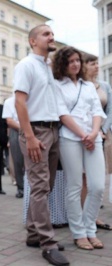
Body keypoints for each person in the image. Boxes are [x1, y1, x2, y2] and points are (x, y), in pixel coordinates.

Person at [14, 25, 69, 266]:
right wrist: (29, 136)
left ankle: (34, 234)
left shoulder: (46, 66)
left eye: (52, 33)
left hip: (52, 130)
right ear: (33, 41)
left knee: (45, 186)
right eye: (46, 34)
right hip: (36, 131)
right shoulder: (26, 65)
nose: (52, 37)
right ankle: (48, 244)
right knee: (39, 187)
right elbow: (19, 102)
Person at [54, 46, 106, 250]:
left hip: (93, 137)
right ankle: (79, 232)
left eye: (77, 60)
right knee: (74, 186)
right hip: (70, 138)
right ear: (62, 65)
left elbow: (97, 110)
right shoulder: (57, 85)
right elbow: (62, 113)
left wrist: (93, 133)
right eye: (70, 61)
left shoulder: (88, 86)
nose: (75, 64)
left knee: (98, 186)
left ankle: (90, 227)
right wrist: (82, 134)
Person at [82, 53, 112, 231]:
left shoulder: (105, 86)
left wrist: (103, 129)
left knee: (99, 177)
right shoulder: (79, 85)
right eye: (92, 63)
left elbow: (110, 109)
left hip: (104, 135)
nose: (96, 66)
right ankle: (82, 215)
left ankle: (94, 215)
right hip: (84, 134)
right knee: (84, 177)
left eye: (97, 63)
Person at [2, 96, 25, 198]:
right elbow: (9, 121)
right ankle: (21, 188)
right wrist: (25, 130)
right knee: (18, 161)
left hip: (34, 129)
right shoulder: (9, 101)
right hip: (16, 130)